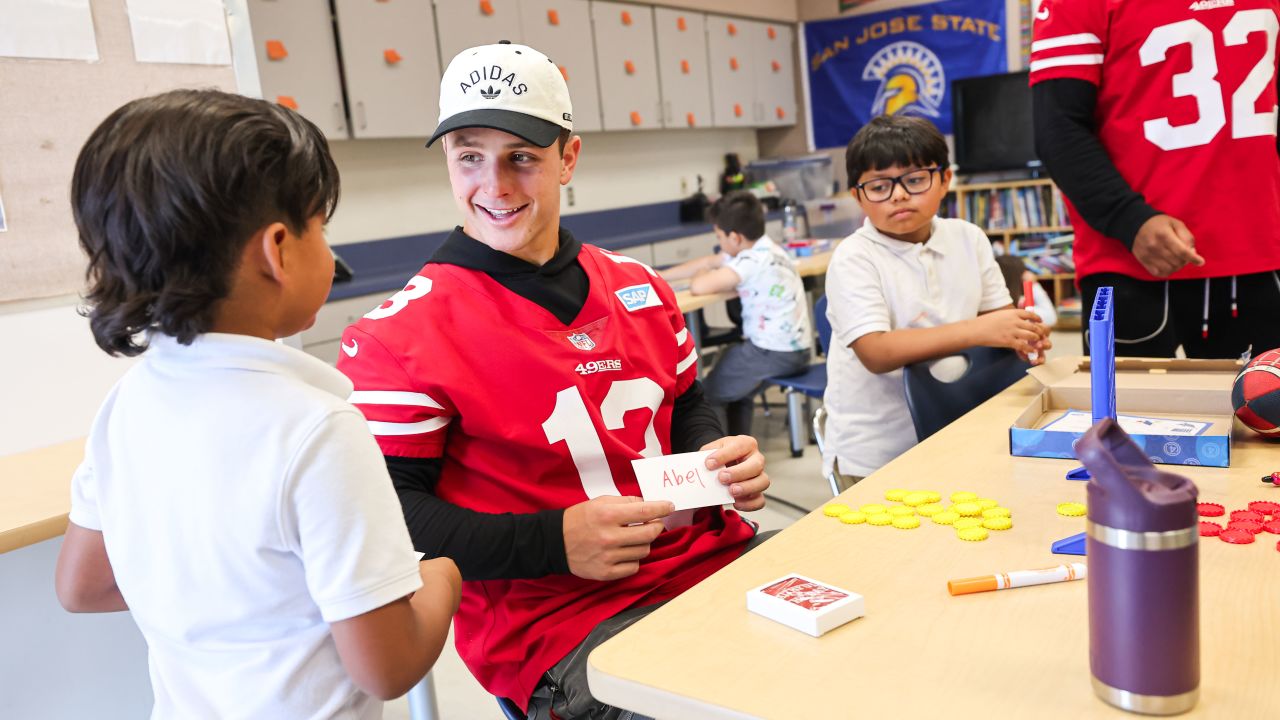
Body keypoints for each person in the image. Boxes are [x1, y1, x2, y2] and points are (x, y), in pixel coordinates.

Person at [335, 42, 772, 719]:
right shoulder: (399, 336)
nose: (497, 185)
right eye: (470, 156)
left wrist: (716, 456)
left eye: (523, 157)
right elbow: (392, 515)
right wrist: (552, 540)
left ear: (568, 158)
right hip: (560, 621)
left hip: (712, 562)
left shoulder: (642, 287)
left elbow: (686, 402)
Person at [54, 89, 461, 719]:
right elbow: (387, 666)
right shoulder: (318, 428)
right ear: (278, 249)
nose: (329, 251)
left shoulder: (128, 403)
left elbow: (83, 585)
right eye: (321, 229)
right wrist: (444, 579)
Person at [1030, 0, 1280, 358]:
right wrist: (1129, 219)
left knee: (1257, 412)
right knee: (1124, 412)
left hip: (1256, 252)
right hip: (1128, 258)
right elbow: (1059, 128)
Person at [822, 115, 1052, 488]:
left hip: (963, 424)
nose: (898, 195)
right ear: (857, 196)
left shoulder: (968, 237)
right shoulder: (855, 257)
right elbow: (875, 352)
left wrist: (1022, 336)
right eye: (879, 186)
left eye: (914, 180)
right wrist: (979, 329)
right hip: (879, 449)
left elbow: (999, 316)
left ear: (945, 180)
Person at [659, 190, 812, 435]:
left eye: (719, 236)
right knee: (735, 387)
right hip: (797, 350)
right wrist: (659, 276)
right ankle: (740, 451)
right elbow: (711, 260)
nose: (719, 242)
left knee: (706, 395)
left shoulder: (749, 262)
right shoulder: (769, 250)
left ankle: (719, 461)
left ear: (735, 238)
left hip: (771, 352)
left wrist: (701, 274)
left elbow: (700, 286)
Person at [996, 254, 1059, 328]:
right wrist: (1033, 285)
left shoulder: (998, 303)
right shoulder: (1020, 304)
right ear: (1021, 276)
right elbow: (1051, 318)